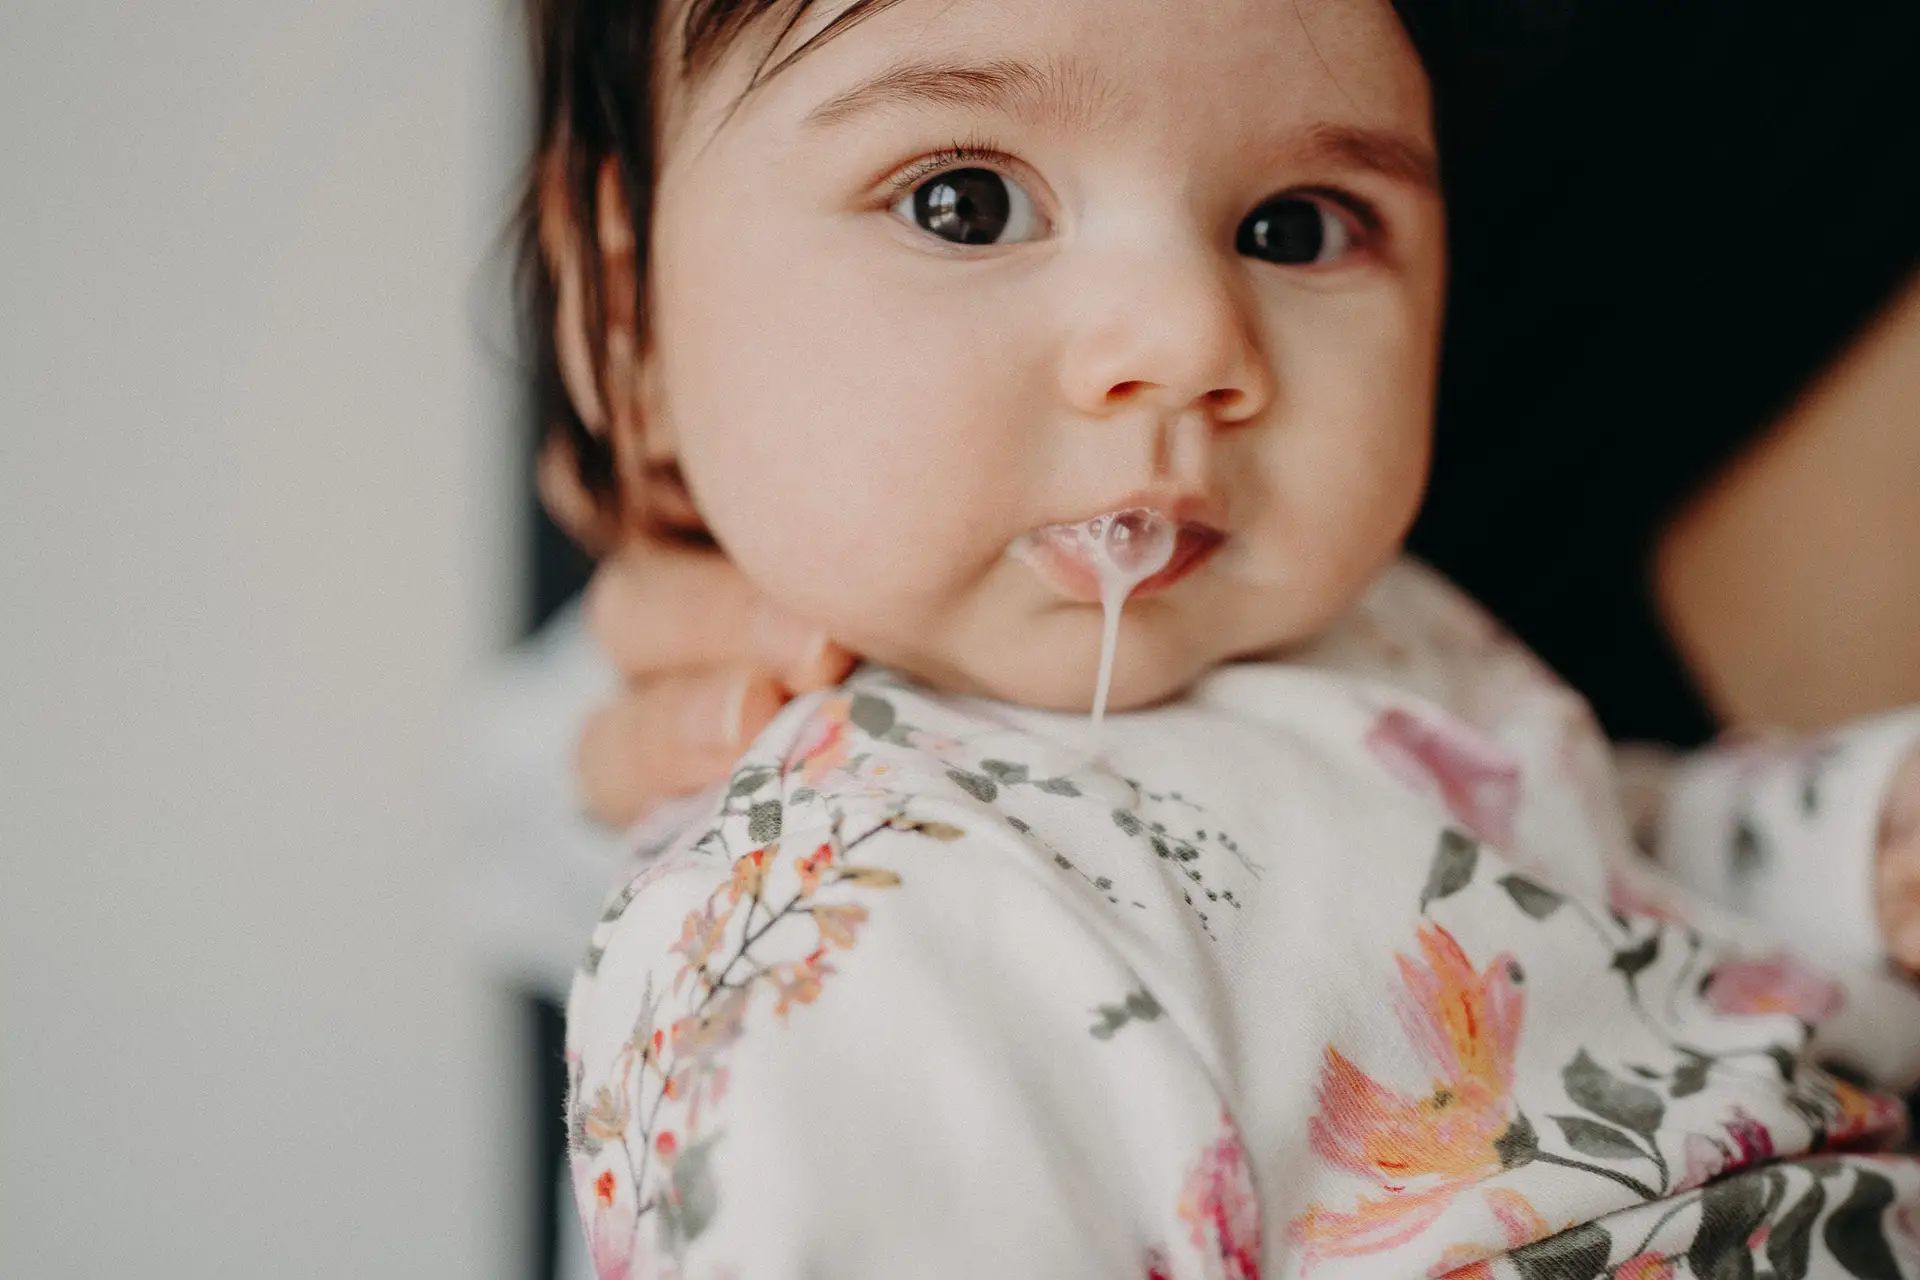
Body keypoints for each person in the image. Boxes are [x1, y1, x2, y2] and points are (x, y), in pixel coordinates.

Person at [516, 0, 1920, 1274]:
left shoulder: (1382, 634)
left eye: (1296, 227)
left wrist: (1846, 847)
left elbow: (1595, 863)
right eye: (966, 203)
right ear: (621, 315)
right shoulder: (845, 932)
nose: (1193, 336)